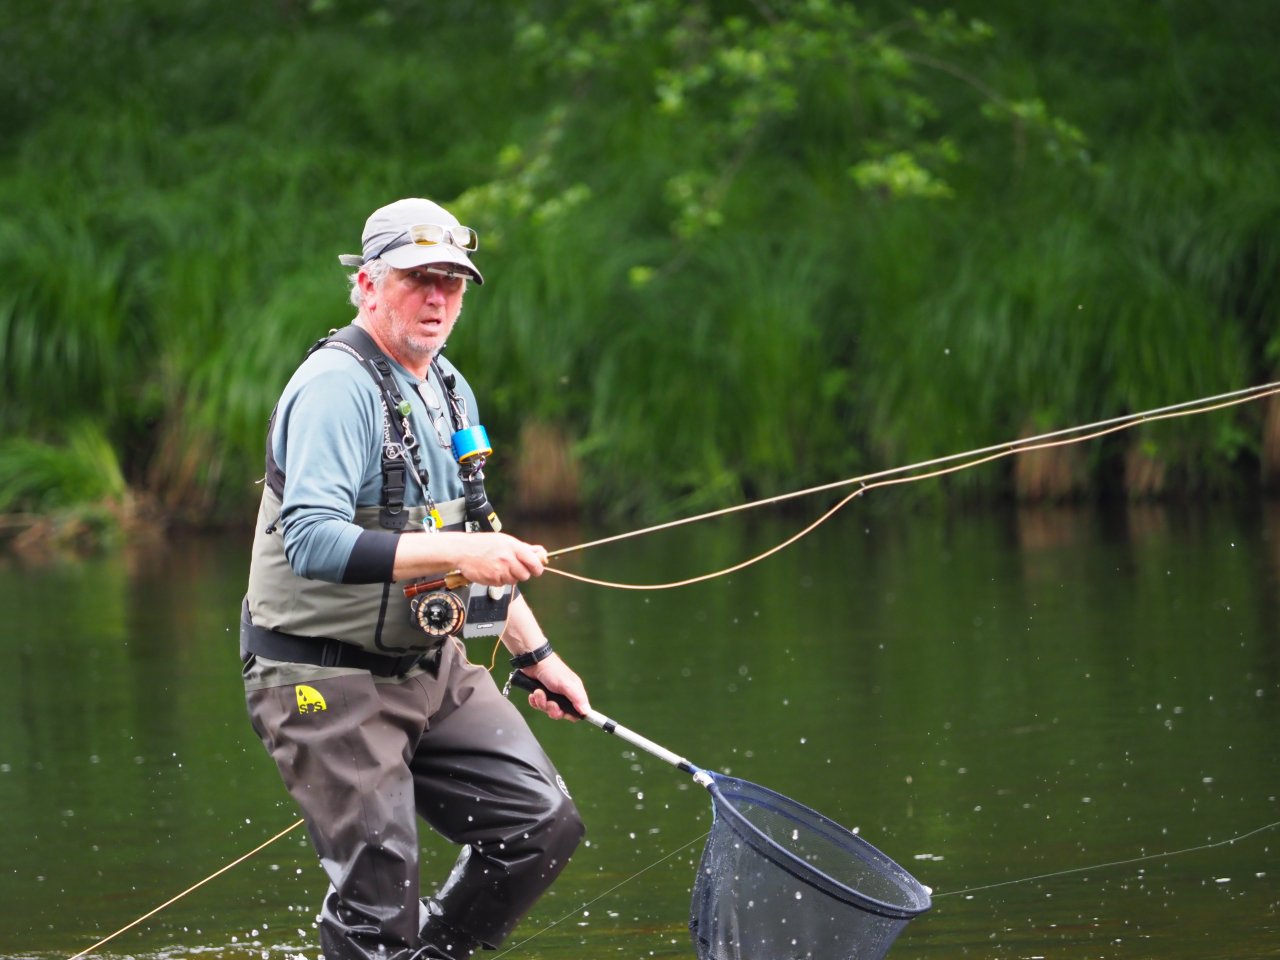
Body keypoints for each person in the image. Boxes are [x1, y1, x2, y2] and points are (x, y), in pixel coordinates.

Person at [239, 197, 590, 960]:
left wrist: (536, 656)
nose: (437, 299)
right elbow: (312, 541)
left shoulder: (447, 386)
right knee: (377, 904)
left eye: (452, 283)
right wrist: (459, 553)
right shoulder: (335, 387)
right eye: (417, 279)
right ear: (367, 284)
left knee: (539, 828)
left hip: (428, 666)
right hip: (320, 676)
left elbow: (472, 538)